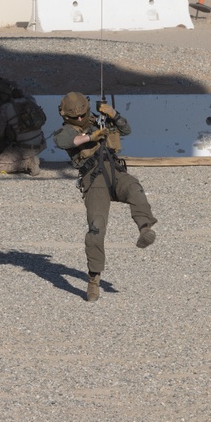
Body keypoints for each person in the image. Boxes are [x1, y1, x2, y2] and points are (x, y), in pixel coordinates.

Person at [53, 92, 157, 301]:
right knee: (96, 229)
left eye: (83, 114)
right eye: (77, 117)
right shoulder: (64, 131)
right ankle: (94, 278)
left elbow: (126, 130)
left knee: (135, 189)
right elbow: (68, 141)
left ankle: (144, 228)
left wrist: (114, 114)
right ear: (65, 115)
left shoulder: (99, 121)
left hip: (116, 172)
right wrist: (91, 137)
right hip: (94, 180)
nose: (81, 119)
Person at [0, 84, 47, 176]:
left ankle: (28, 163)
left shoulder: (6, 108)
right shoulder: (32, 102)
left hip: (24, 148)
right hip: (41, 144)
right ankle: (32, 158)